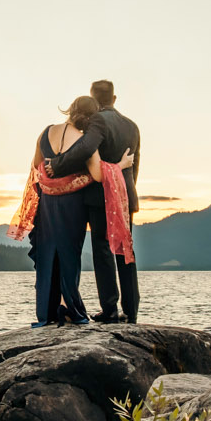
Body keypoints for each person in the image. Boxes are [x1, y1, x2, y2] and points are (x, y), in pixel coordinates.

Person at [7, 95, 135, 327]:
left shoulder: (46, 132)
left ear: (71, 110)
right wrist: (121, 166)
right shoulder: (85, 141)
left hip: (47, 204)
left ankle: (47, 312)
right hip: (72, 204)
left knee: (48, 255)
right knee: (68, 255)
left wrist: (51, 181)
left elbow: (36, 165)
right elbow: (98, 175)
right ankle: (69, 307)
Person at [45, 80, 141, 322]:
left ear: (94, 99)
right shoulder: (132, 126)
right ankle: (131, 310)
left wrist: (57, 165)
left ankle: (110, 310)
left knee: (102, 249)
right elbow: (135, 165)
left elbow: (86, 148)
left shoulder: (98, 120)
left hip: (101, 195)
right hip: (124, 195)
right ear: (115, 98)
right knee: (125, 250)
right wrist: (126, 192)